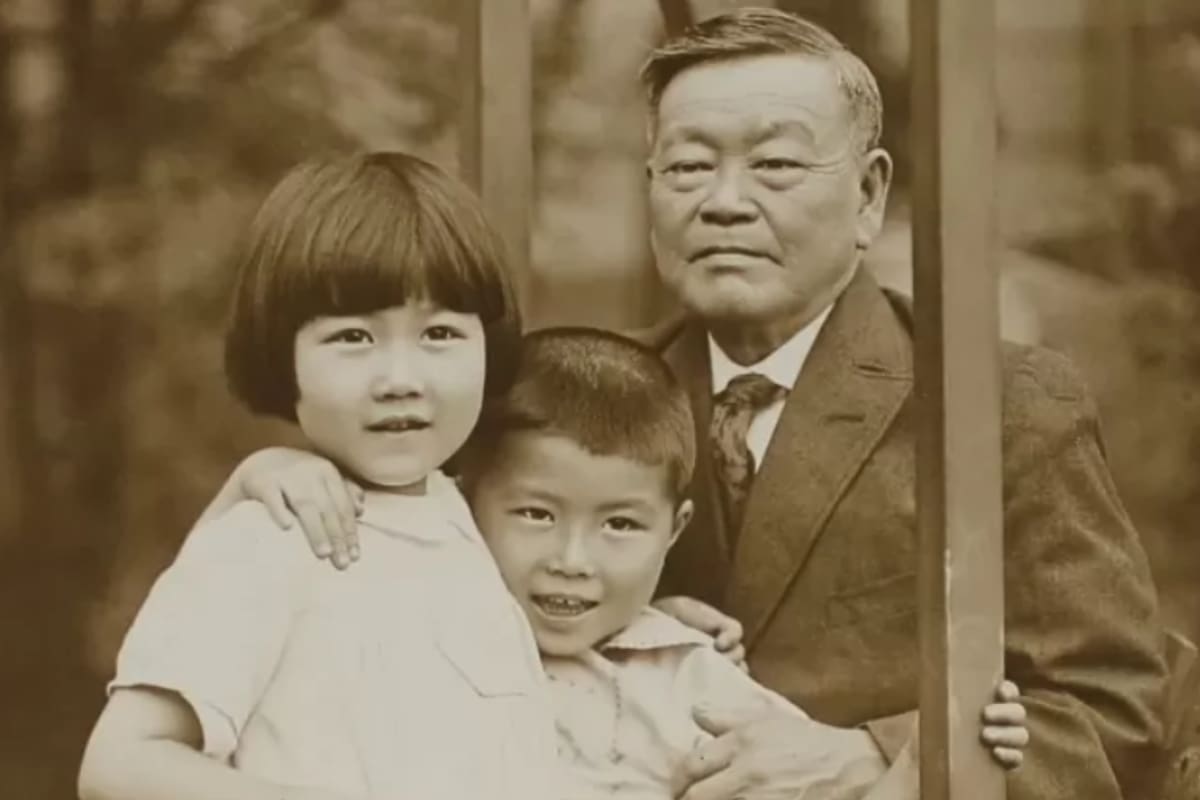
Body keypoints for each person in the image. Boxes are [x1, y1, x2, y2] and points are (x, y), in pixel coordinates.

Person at [201, 9, 1171, 800]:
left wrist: (885, 754)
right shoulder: (570, 396)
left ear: (870, 195)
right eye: (690, 164)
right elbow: (403, 527)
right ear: (652, 186)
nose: (725, 200)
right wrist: (283, 469)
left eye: (777, 165)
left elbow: (1116, 707)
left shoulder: (996, 403)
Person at [208, 325, 1034, 799]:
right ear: (462, 498)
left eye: (619, 527)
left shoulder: (684, 675)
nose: (572, 562)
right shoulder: (410, 621)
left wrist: (943, 749)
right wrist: (264, 472)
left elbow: (824, 785)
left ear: (673, 532)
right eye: (534, 515)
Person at [77, 152, 556, 800]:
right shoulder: (275, 536)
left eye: (439, 333)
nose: (401, 380)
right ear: (283, 357)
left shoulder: (471, 520)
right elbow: (120, 765)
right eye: (354, 338)